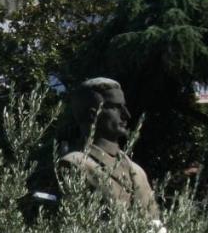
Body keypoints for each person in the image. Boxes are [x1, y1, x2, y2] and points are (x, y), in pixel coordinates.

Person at [56, 77, 158, 221]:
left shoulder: (137, 172)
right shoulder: (75, 164)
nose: (126, 115)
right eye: (116, 107)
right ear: (93, 114)